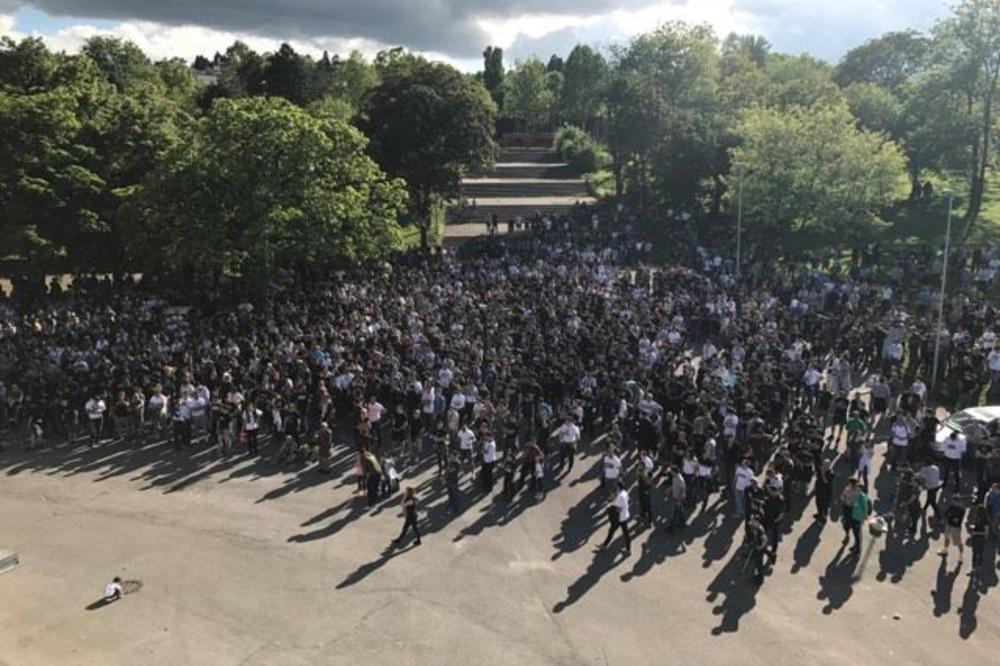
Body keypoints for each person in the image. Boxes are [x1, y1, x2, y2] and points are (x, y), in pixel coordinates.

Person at [600, 481, 632, 556]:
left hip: (619, 518)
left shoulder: (620, 496)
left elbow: (619, 509)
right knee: (625, 534)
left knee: (612, 531)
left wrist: (611, 506)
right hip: (625, 516)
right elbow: (626, 501)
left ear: (618, 487)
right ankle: (628, 549)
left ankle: (604, 545)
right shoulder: (625, 492)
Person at [940, 494, 965, 564]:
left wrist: (949, 516)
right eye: (953, 501)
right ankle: (945, 550)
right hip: (949, 525)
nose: (954, 502)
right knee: (947, 538)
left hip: (956, 528)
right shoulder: (951, 507)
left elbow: (956, 520)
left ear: (958, 501)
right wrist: (948, 517)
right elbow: (946, 513)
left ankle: (961, 556)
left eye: (955, 501)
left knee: (958, 542)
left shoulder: (961, 509)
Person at [968, 503, 990, 578]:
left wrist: (975, 532)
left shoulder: (986, 521)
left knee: (980, 554)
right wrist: (973, 527)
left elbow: (986, 532)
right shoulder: (978, 517)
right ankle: (974, 569)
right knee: (974, 553)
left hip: (980, 539)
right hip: (975, 538)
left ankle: (978, 570)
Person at [813, 458, 833, 523]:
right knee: (818, 503)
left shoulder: (830, 473)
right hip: (819, 489)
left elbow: (825, 481)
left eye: (825, 464)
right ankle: (819, 514)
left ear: (829, 465)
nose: (823, 466)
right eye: (823, 464)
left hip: (825, 493)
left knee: (823, 505)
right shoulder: (821, 469)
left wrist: (822, 472)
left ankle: (823, 519)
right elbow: (816, 476)